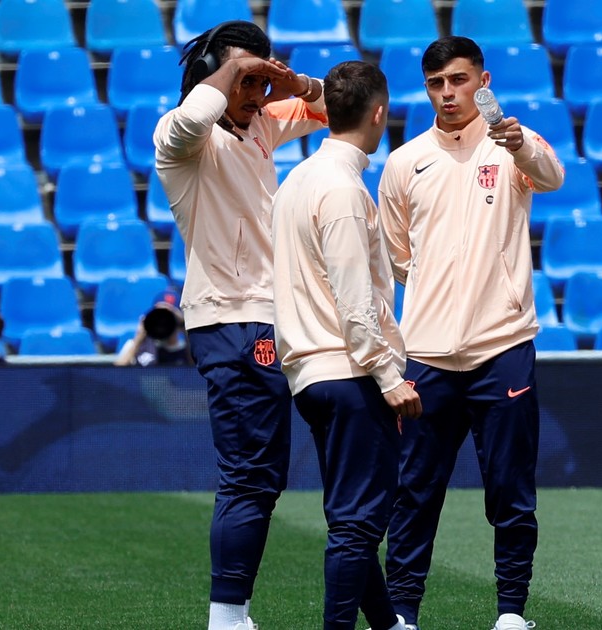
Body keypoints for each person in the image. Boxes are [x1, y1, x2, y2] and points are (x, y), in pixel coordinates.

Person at [376, 36, 564, 630]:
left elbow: (553, 175)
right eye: (436, 84)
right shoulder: (404, 161)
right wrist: (438, 292)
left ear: (483, 81)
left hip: (501, 346)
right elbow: (397, 255)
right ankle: (403, 612)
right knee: (414, 491)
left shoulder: (511, 144)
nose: (448, 93)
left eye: (458, 80)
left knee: (510, 491)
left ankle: (510, 611)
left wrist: (519, 140)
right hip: (426, 354)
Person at [153, 19, 328, 630]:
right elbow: (191, 120)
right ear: (214, 75)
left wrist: (295, 82)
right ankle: (227, 618)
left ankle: (237, 614)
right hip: (232, 318)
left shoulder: (258, 125)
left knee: (272, 475)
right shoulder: (182, 138)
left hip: (276, 316)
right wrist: (231, 70)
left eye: (261, 81)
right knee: (251, 475)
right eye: (246, 80)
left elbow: (336, 110)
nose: (257, 94)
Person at [272, 60, 421, 630]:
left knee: (350, 518)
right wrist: (389, 376)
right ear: (379, 113)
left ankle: (388, 624)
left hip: (309, 371)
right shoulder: (343, 189)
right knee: (358, 525)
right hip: (350, 372)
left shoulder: (295, 181)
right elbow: (355, 300)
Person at [114, 288, 194, 367]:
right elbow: (117, 372)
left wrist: (185, 328)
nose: (162, 322)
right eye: (159, 316)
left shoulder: (187, 349)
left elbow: (195, 367)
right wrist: (138, 340)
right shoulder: (137, 346)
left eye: (168, 318)